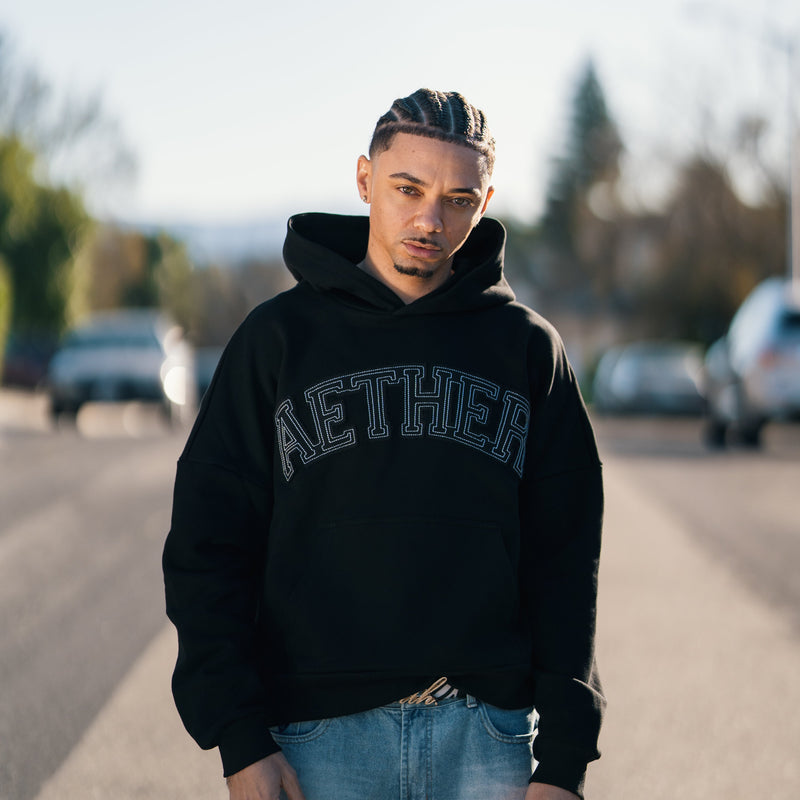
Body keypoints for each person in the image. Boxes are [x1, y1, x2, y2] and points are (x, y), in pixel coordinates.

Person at [163, 88, 605, 800]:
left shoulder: (527, 350)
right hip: (316, 739)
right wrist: (239, 736)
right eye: (408, 188)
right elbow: (207, 548)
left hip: (487, 741)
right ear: (365, 179)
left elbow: (566, 565)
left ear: (485, 201)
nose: (431, 219)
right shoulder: (277, 342)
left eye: (459, 199)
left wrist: (562, 763)